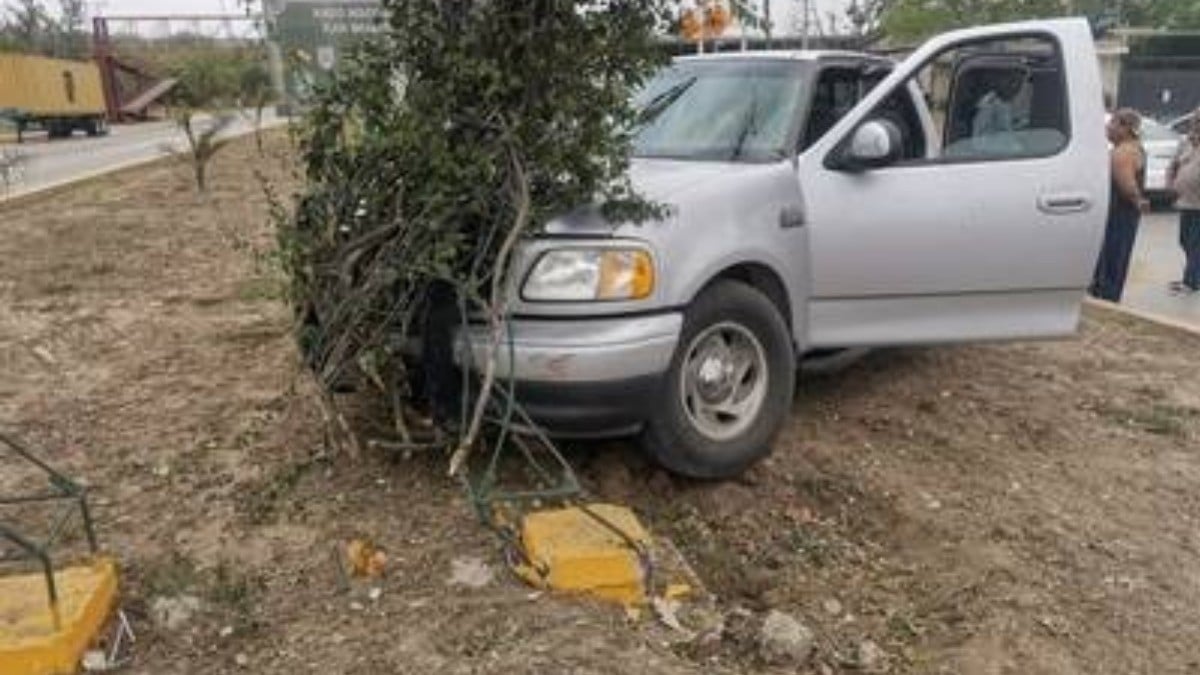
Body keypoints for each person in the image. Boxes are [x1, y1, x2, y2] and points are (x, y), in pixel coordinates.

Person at [1091, 109, 1149, 302]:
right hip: (1122, 212)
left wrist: (1137, 200)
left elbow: (1126, 183)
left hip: (1118, 212)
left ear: (1125, 127)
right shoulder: (1133, 148)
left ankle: (1107, 298)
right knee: (1117, 256)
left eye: (1112, 123)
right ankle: (1108, 294)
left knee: (1112, 257)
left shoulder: (1123, 152)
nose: (1107, 127)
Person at [1167, 106, 1200, 295]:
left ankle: (1191, 281)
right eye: (1195, 120)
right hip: (1185, 201)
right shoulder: (1186, 142)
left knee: (1195, 243)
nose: (1196, 124)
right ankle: (1194, 276)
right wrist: (1171, 182)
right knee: (1184, 240)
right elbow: (1174, 164)